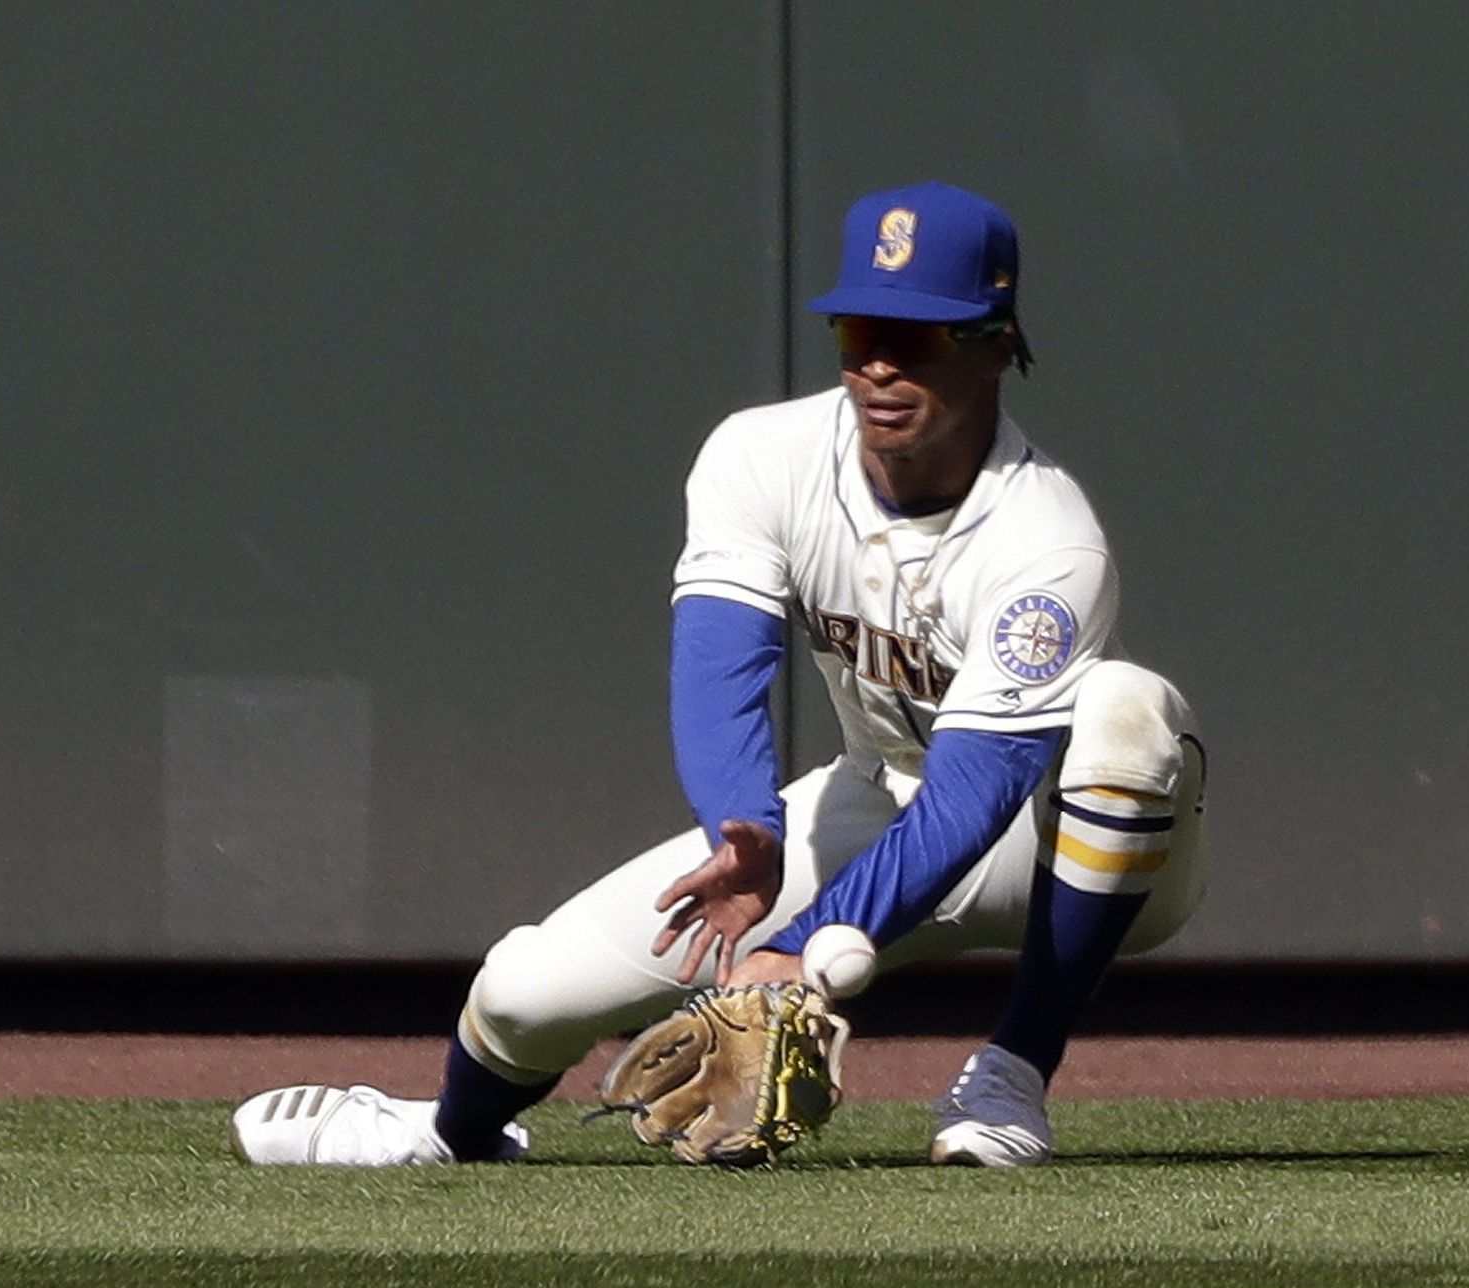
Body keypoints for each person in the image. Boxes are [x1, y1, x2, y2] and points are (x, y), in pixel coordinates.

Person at [231, 181, 1207, 1169]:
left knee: (1128, 713)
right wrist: (745, 827)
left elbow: (973, 793)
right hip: (869, 799)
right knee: (525, 992)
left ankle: (1011, 1078)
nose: (878, 361)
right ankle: (446, 1133)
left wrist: (816, 941)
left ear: (997, 341)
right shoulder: (763, 454)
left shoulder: (1048, 538)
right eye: (860, 327)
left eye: (919, 336)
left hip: (1055, 842)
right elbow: (720, 659)